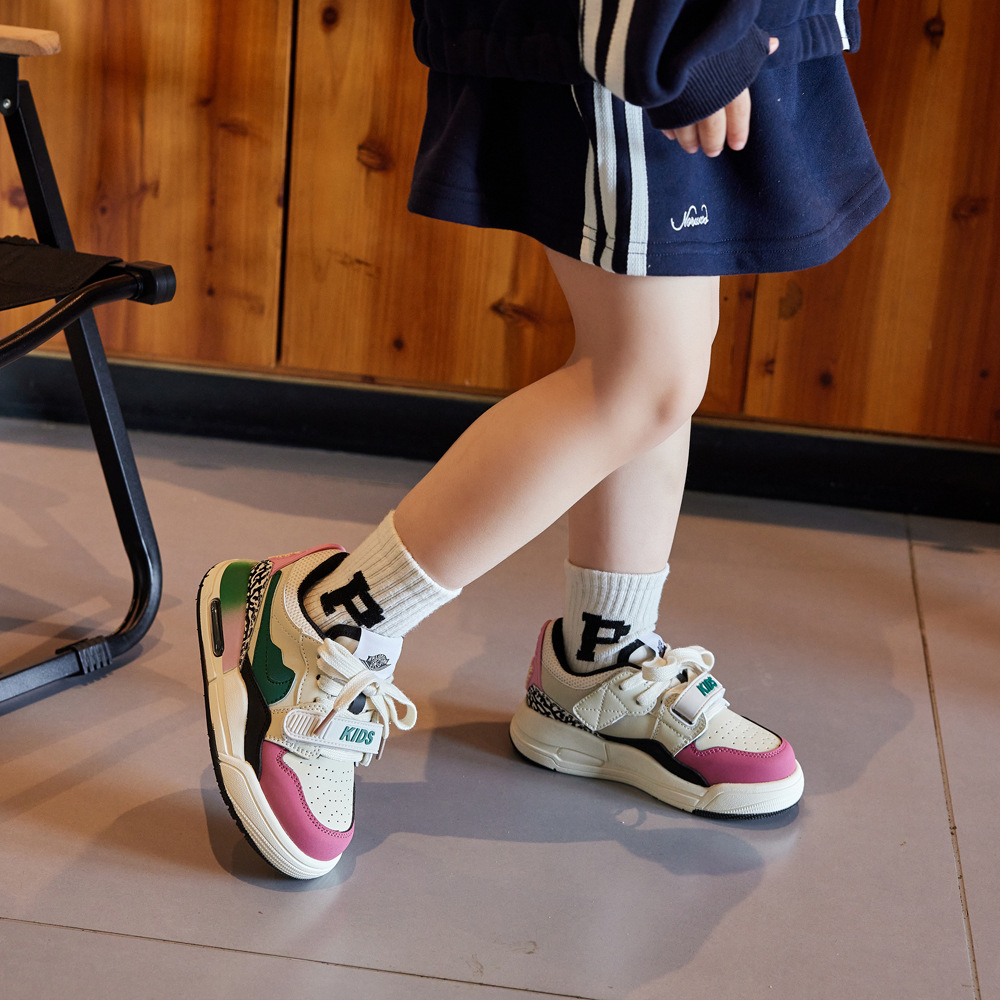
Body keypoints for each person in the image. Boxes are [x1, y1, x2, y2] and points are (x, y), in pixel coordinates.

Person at [197, 0, 888, 879]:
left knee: (659, 359)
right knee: (644, 373)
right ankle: (321, 619)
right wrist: (683, 40)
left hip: (715, 23)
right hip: (649, 26)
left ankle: (597, 664)